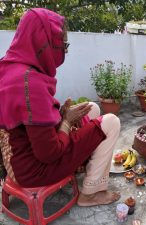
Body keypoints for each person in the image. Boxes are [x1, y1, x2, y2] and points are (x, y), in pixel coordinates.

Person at [0, 8, 121, 206]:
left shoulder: (11, 67)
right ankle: (90, 194)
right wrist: (65, 121)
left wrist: (60, 115)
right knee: (111, 122)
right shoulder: (30, 83)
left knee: (92, 108)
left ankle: (87, 162)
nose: (65, 50)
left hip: (18, 156)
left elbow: (28, 123)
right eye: (62, 44)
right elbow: (49, 153)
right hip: (33, 170)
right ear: (44, 42)